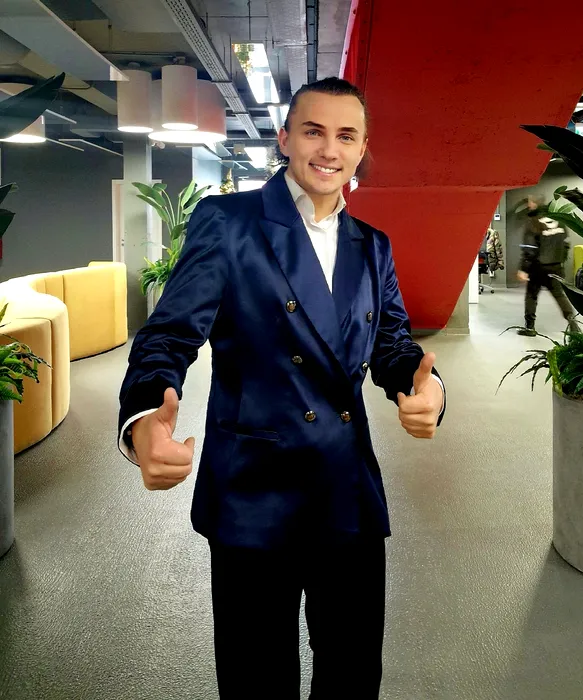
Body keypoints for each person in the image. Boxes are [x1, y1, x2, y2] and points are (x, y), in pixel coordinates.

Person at [118, 77, 446, 699]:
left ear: (362, 148)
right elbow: (168, 335)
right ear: (285, 139)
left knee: (352, 673)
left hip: (346, 490)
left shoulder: (372, 247)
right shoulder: (229, 223)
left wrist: (424, 390)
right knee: (257, 678)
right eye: (313, 131)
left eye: (346, 135)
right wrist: (143, 418)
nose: (329, 149)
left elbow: (394, 346)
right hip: (254, 492)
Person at [517, 195, 578, 336]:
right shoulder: (559, 221)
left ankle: (530, 328)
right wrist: (560, 260)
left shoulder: (533, 222)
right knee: (559, 295)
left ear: (534, 204)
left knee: (531, 296)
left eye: (530, 203)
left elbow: (529, 248)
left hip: (538, 267)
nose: (528, 205)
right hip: (556, 266)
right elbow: (566, 244)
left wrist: (523, 269)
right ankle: (574, 325)